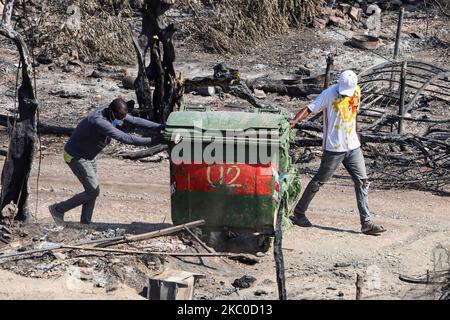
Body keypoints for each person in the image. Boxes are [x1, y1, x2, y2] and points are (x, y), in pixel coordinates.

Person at [289, 70, 386, 236]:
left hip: (352, 145)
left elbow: (354, 114)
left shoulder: (356, 91)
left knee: (362, 181)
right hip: (334, 147)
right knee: (319, 181)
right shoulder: (329, 94)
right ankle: (299, 212)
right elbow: (309, 108)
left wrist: (357, 132)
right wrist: (294, 121)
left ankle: (366, 223)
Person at [49, 98, 164, 225]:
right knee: (93, 191)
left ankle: (85, 223)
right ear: (111, 112)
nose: (121, 120)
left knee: (91, 190)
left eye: (124, 116)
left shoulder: (113, 112)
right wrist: (154, 141)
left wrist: (160, 127)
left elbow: (135, 120)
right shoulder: (99, 121)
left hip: (89, 156)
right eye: (120, 117)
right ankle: (58, 209)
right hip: (76, 156)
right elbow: (125, 138)